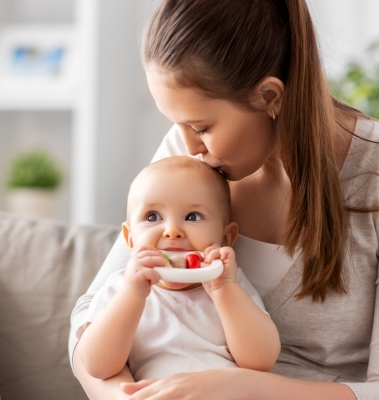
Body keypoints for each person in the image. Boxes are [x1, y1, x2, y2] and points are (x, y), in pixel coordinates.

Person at [69, 0, 379, 399]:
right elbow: (88, 321)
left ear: (269, 96)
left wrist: (240, 389)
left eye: (201, 126)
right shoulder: (189, 162)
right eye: (177, 124)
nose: (187, 146)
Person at [76, 156, 280, 382]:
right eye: (152, 217)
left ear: (225, 238)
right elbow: (97, 366)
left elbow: (261, 361)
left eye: (193, 216)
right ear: (130, 240)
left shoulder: (230, 283)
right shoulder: (119, 288)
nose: (172, 231)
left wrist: (224, 289)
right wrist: (132, 294)